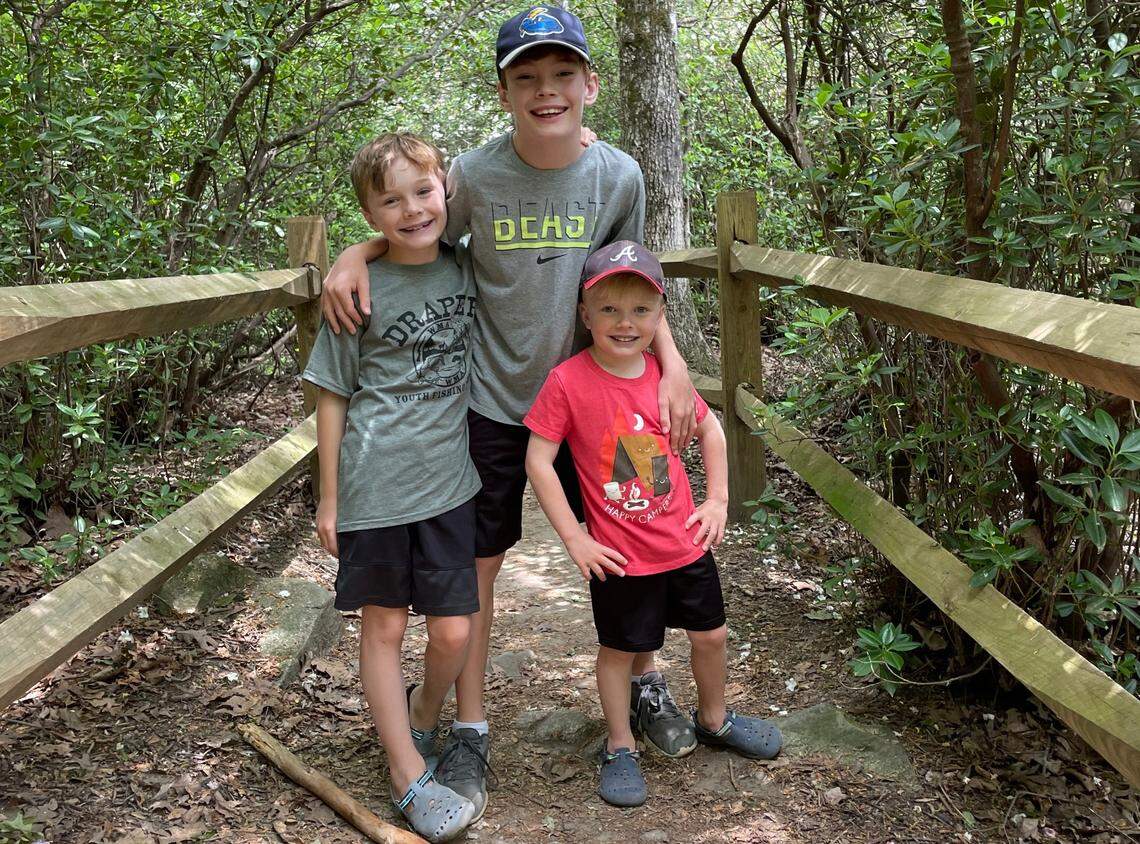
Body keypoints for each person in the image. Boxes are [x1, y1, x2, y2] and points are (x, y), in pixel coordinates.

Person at [315, 6, 701, 817]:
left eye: (562, 75)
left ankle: (646, 680)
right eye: (527, 77)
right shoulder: (476, 179)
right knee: (480, 571)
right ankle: (471, 726)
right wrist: (352, 253)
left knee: (637, 532)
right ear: (503, 93)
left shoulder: (619, 176)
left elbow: (634, 289)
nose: (546, 90)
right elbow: (411, 234)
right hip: (490, 405)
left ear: (591, 84)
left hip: (592, 399)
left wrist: (674, 366)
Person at [524, 241, 783, 807]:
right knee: (619, 650)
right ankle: (621, 744)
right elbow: (538, 460)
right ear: (584, 313)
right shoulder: (568, 382)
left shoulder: (669, 376)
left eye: (641, 310)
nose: (625, 323)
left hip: (684, 542)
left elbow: (712, 433)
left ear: (661, 315)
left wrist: (716, 501)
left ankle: (713, 718)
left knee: (711, 634)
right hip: (619, 554)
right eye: (610, 309)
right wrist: (576, 538)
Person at [302, 132, 480, 843]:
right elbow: (333, 396)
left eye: (423, 191)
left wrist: (359, 248)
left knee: (454, 631)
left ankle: (423, 711)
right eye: (391, 201)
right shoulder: (357, 291)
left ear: (446, 192)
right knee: (384, 626)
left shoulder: (466, 269)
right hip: (375, 485)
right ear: (371, 214)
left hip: (449, 484)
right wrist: (329, 498)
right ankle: (407, 770)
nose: (411, 209)